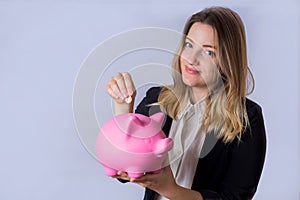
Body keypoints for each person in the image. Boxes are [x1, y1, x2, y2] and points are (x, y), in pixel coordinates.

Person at [106, 6, 266, 200]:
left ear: (227, 60)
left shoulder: (247, 117)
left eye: (209, 52)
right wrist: (123, 110)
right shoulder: (157, 99)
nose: (191, 59)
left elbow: (236, 197)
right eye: (189, 45)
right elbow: (124, 170)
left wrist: (171, 190)